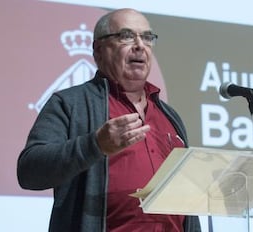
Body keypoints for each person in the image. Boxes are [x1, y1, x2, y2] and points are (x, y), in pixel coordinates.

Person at [17, 8, 201, 232]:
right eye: (126, 36)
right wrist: (95, 145)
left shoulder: (169, 116)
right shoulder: (70, 104)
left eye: (147, 37)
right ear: (99, 50)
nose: (139, 45)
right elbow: (29, 172)